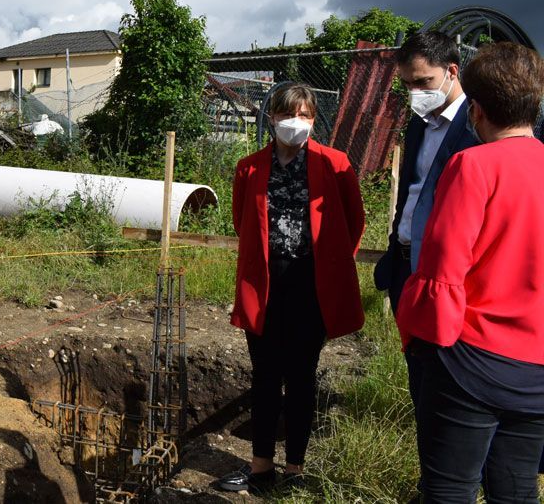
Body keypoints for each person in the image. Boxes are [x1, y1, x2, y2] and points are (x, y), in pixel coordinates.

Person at [397, 42, 544, 502]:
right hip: (537, 368)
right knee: (517, 489)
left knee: (449, 489)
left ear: (476, 110)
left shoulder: (473, 165)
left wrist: (423, 342)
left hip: (471, 360)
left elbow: (442, 271)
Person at [215, 82, 365, 493]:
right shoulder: (249, 167)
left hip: (312, 284)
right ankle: (260, 468)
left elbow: (354, 221)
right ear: (272, 118)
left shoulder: (335, 164)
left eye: (304, 115)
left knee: (301, 376)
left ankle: (295, 470)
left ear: (314, 120)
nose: (295, 123)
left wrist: (331, 261)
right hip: (263, 282)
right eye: (287, 115)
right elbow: (241, 220)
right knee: (264, 375)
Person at [374, 31, 477, 407]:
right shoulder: (419, 123)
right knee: (418, 379)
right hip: (406, 269)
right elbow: (411, 193)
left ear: (452, 71)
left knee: (449, 385)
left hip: (447, 276)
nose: (415, 92)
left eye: (423, 82)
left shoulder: (477, 126)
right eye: (406, 84)